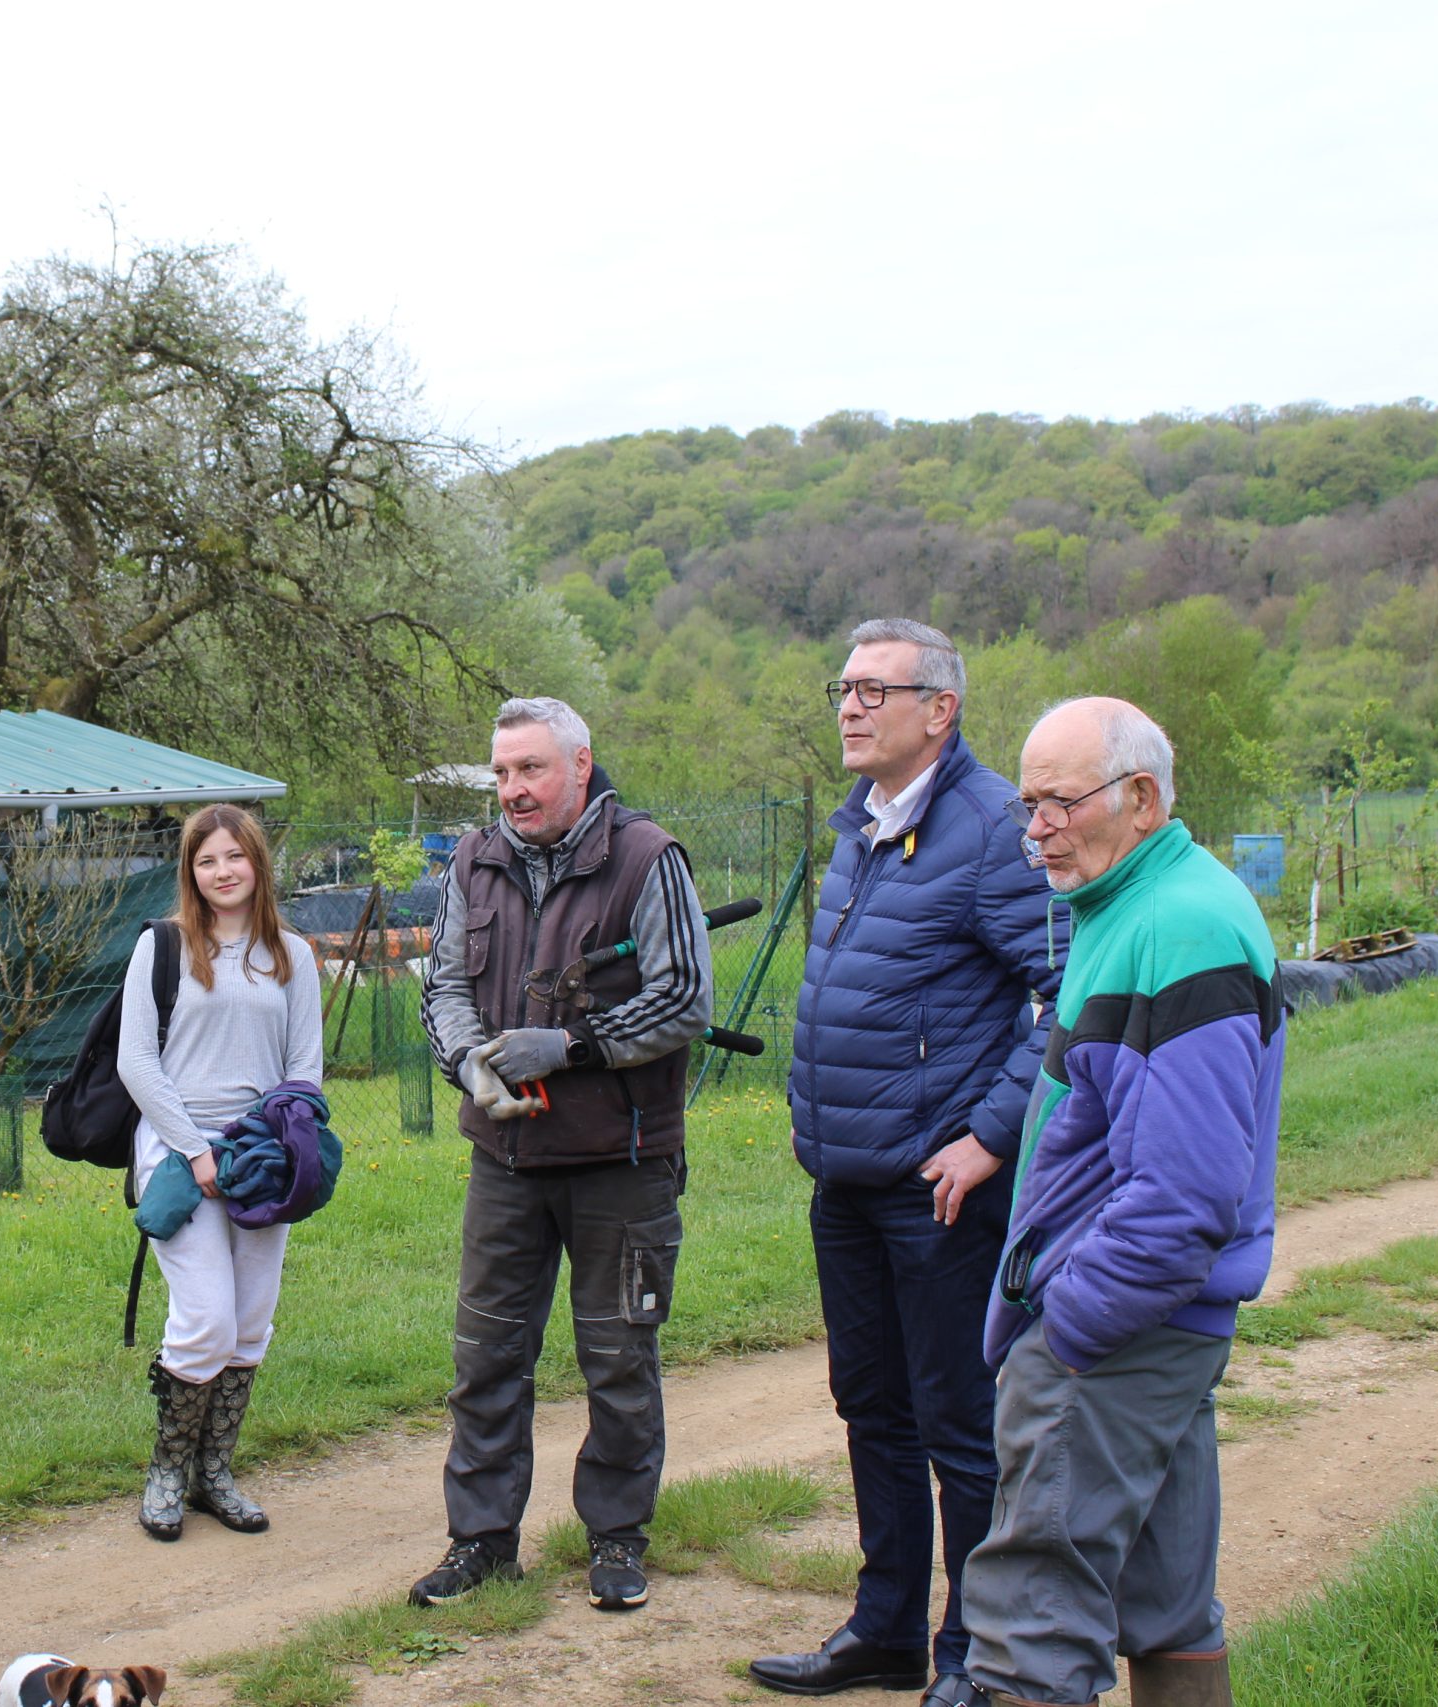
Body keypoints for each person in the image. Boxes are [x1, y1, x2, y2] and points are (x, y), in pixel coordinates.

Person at [751, 622, 1066, 1705]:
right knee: (871, 1409)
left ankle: (974, 1652)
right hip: (846, 1180)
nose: (849, 706)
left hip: (938, 1190)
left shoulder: (989, 829)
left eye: (874, 690)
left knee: (958, 1425)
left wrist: (990, 1136)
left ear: (940, 708)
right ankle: (885, 1629)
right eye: (843, 687)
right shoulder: (864, 823)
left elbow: (1066, 989)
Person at [960, 698, 1282, 1707]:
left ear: (1141, 798)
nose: (1037, 830)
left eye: (1060, 802)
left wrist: (1070, 1328)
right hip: (1154, 1326)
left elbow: (1184, 1193)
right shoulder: (1135, 907)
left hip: (1119, 1333)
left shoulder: (1179, 925)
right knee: (1165, 1602)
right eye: (1027, 805)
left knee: (1031, 1623)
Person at [413, 697, 714, 1615]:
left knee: (618, 1357)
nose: (513, 789)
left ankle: (617, 1537)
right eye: (503, 772)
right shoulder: (475, 859)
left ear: (580, 766)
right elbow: (444, 983)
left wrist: (573, 1047)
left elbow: (685, 998)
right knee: (486, 1356)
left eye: (531, 769)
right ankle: (481, 1539)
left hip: (621, 1158)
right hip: (505, 1160)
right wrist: (469, 1062)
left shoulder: (646, 858)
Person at [117, 804, 323, 1541]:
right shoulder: (163, 946)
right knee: (206, 1316)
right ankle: (168, 1470)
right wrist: (194, 1149)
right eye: (207, 860)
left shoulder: (292, 955)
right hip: (179, 1153)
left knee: (250, 1319)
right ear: (191, 871)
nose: (222, 871)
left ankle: (215, 1472)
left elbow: (304, 1069)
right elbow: (136, 1061)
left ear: (257, 862)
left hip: (260, 1154)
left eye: (234, 856)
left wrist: (277, 1147)